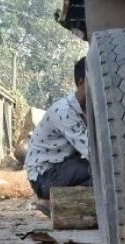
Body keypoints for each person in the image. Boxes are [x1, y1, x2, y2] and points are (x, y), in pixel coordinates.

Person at [25, 57, 92, 213]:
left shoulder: (83, 108)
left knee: (98, 176)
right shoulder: (65, 112)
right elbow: (92, 151)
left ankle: (57, 202)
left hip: (59, 170)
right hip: (45, 177)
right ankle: (52, 201)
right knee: (101, 173)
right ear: (81, 83)